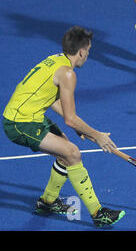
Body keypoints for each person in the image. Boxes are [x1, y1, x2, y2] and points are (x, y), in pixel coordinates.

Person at [2, 27, 125, 227]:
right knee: (73, 153)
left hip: (29, 115)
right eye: (89, 50)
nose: (88, 55)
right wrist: (98, 136)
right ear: (82, 52)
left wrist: (81, 127)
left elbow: (50, 100)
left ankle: (47, 203)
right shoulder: (68, 74)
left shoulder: (56, 60)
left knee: (65, 152)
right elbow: (70, 119)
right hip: (20, 123)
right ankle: (98, 213)